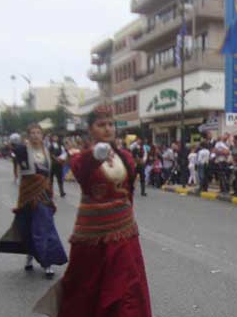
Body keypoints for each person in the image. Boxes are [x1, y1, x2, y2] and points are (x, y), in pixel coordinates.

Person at [34, 104, 152, 317]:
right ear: (91, 130)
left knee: (128, 289)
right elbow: (82, 173)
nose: (108, 129)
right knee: (88, 289)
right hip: (93, 237)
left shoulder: (124, 156)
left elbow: (129, 191)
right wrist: (95, 156)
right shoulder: (82, 157)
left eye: (111, 124)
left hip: (124, 233)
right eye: (101, 125)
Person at [0, 124, 67, 278]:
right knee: (27, 226)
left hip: (44, 195)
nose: (35, 135)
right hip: (28, 195)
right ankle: (30, 255)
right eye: (32, 133)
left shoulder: (47, 151)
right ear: (28, 136)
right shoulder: (22, 150)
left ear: (42, 135)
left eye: (38, 133)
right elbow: (11, 150)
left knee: (44, 227)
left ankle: (47, 262)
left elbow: (52, 169)